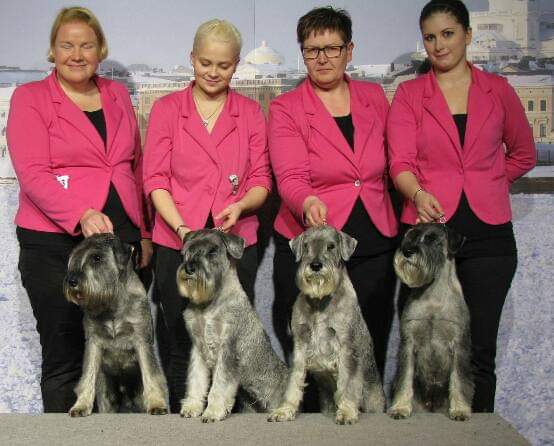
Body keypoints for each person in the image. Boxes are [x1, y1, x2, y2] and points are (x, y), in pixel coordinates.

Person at [387, 0, 536, 412]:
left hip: (490, 237)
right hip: (427, 236)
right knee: (418, 348)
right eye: (430, 37)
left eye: (448, 34)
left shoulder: (499, 90)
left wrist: (488, 181)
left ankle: (479, 430)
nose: (439, 45)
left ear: (468, 35)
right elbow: (399, 164)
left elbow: (524, 154)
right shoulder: (409, 94)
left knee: (479, 351)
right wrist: (418, 194)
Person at [7, 6, 152, 412]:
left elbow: (134, 167)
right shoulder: (30, 98)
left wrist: (143, 232)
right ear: (52, 51)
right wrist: (80, 214)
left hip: (120, 246)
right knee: (67, 358)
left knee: (125, 360)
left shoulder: (117, 94)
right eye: (66, 45)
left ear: (100, 50)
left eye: (86, 45)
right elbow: (32, 173)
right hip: (55, 247)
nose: (76, 55)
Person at [142, 19, 271, 413]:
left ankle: (229, 421)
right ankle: (184, 424)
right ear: (192, 58)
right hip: (176, 241)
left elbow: (261, 179)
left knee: (231, 342)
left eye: (224, 65)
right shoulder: (166, 110)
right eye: (205, 63)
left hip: (232, 246)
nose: (213, 72)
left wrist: (242, 205)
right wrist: (182, 229)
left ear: (236, 66)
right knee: (181, 343)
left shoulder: (250, 112)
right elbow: (155, 179)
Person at [269, 6, 398, 378]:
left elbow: (395, 160)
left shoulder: (375, 97)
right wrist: (307, 201)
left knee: (369, 347)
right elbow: (290, 176)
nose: (322, 58)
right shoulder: (286, 108)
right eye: (312, 50)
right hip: (313, 241)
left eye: (332, 48)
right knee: (311, 357)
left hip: (374, 239)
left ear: (349, 50)